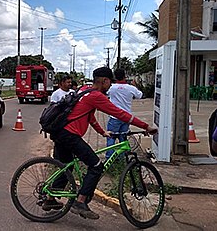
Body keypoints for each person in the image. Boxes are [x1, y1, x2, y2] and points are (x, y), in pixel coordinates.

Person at [42, 67, 157, 220]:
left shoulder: (84, 90)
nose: (110, 86)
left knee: (66, 167)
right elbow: (119, 113)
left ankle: (50, 200)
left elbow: (88, 116)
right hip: (69, 135)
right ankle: (80, 202)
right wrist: (145, 126)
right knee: (96, 165)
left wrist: (101, 132)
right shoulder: (96, 96)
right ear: (104, 81)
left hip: (60, 132)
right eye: (109, 83)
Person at [105, 68, 143, 159]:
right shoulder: (131, 88)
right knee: (123, 137)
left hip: (114, 117)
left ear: (115, 77)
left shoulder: (111, 87)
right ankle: (123, 157)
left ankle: (109, 158)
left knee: (111, 137)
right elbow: (140, 95)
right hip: (126, 118)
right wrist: (135, 86)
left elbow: (106, 95)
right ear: (125, 76)